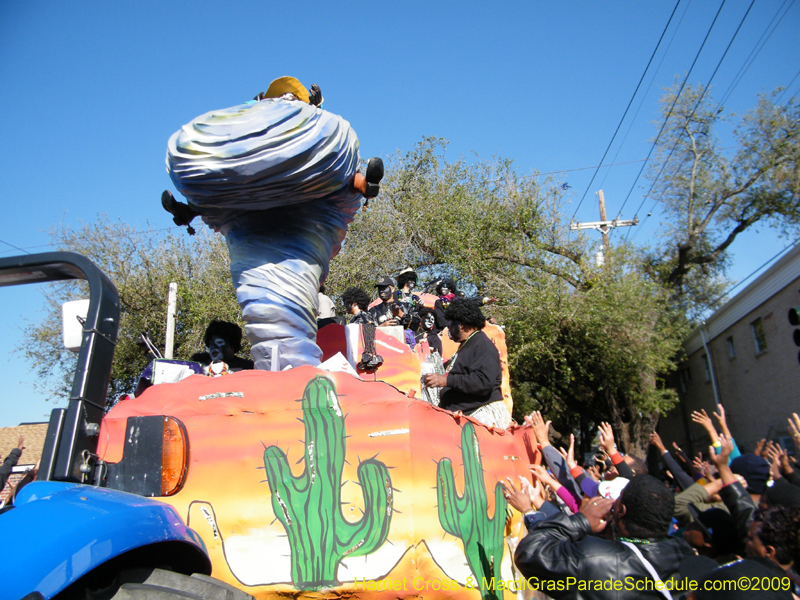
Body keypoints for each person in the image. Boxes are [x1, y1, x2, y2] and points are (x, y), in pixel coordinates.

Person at [515, 474, 696, 600]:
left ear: (620, 511)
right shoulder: (685, 554)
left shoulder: (595, 557)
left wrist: (581, 521)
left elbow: (529, 553)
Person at [422, 299, 510, 428]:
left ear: (462, 325)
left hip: (483, 419)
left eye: (451, 323)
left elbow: (484, 381)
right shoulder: (469, 343)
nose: (449, 327)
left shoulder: (482, 345)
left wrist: (446, 381)